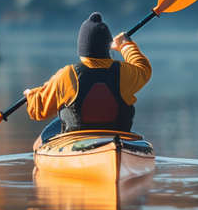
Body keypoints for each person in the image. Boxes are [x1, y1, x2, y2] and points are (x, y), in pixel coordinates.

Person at [24, 12, 152, 136]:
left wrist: (30, 95)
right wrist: (125, 45)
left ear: (81, 49)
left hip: (76, 143)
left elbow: (38, 110)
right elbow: (144, 68)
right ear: (107, 49)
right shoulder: (123, 72)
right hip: (118, 139)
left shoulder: (66, 75)